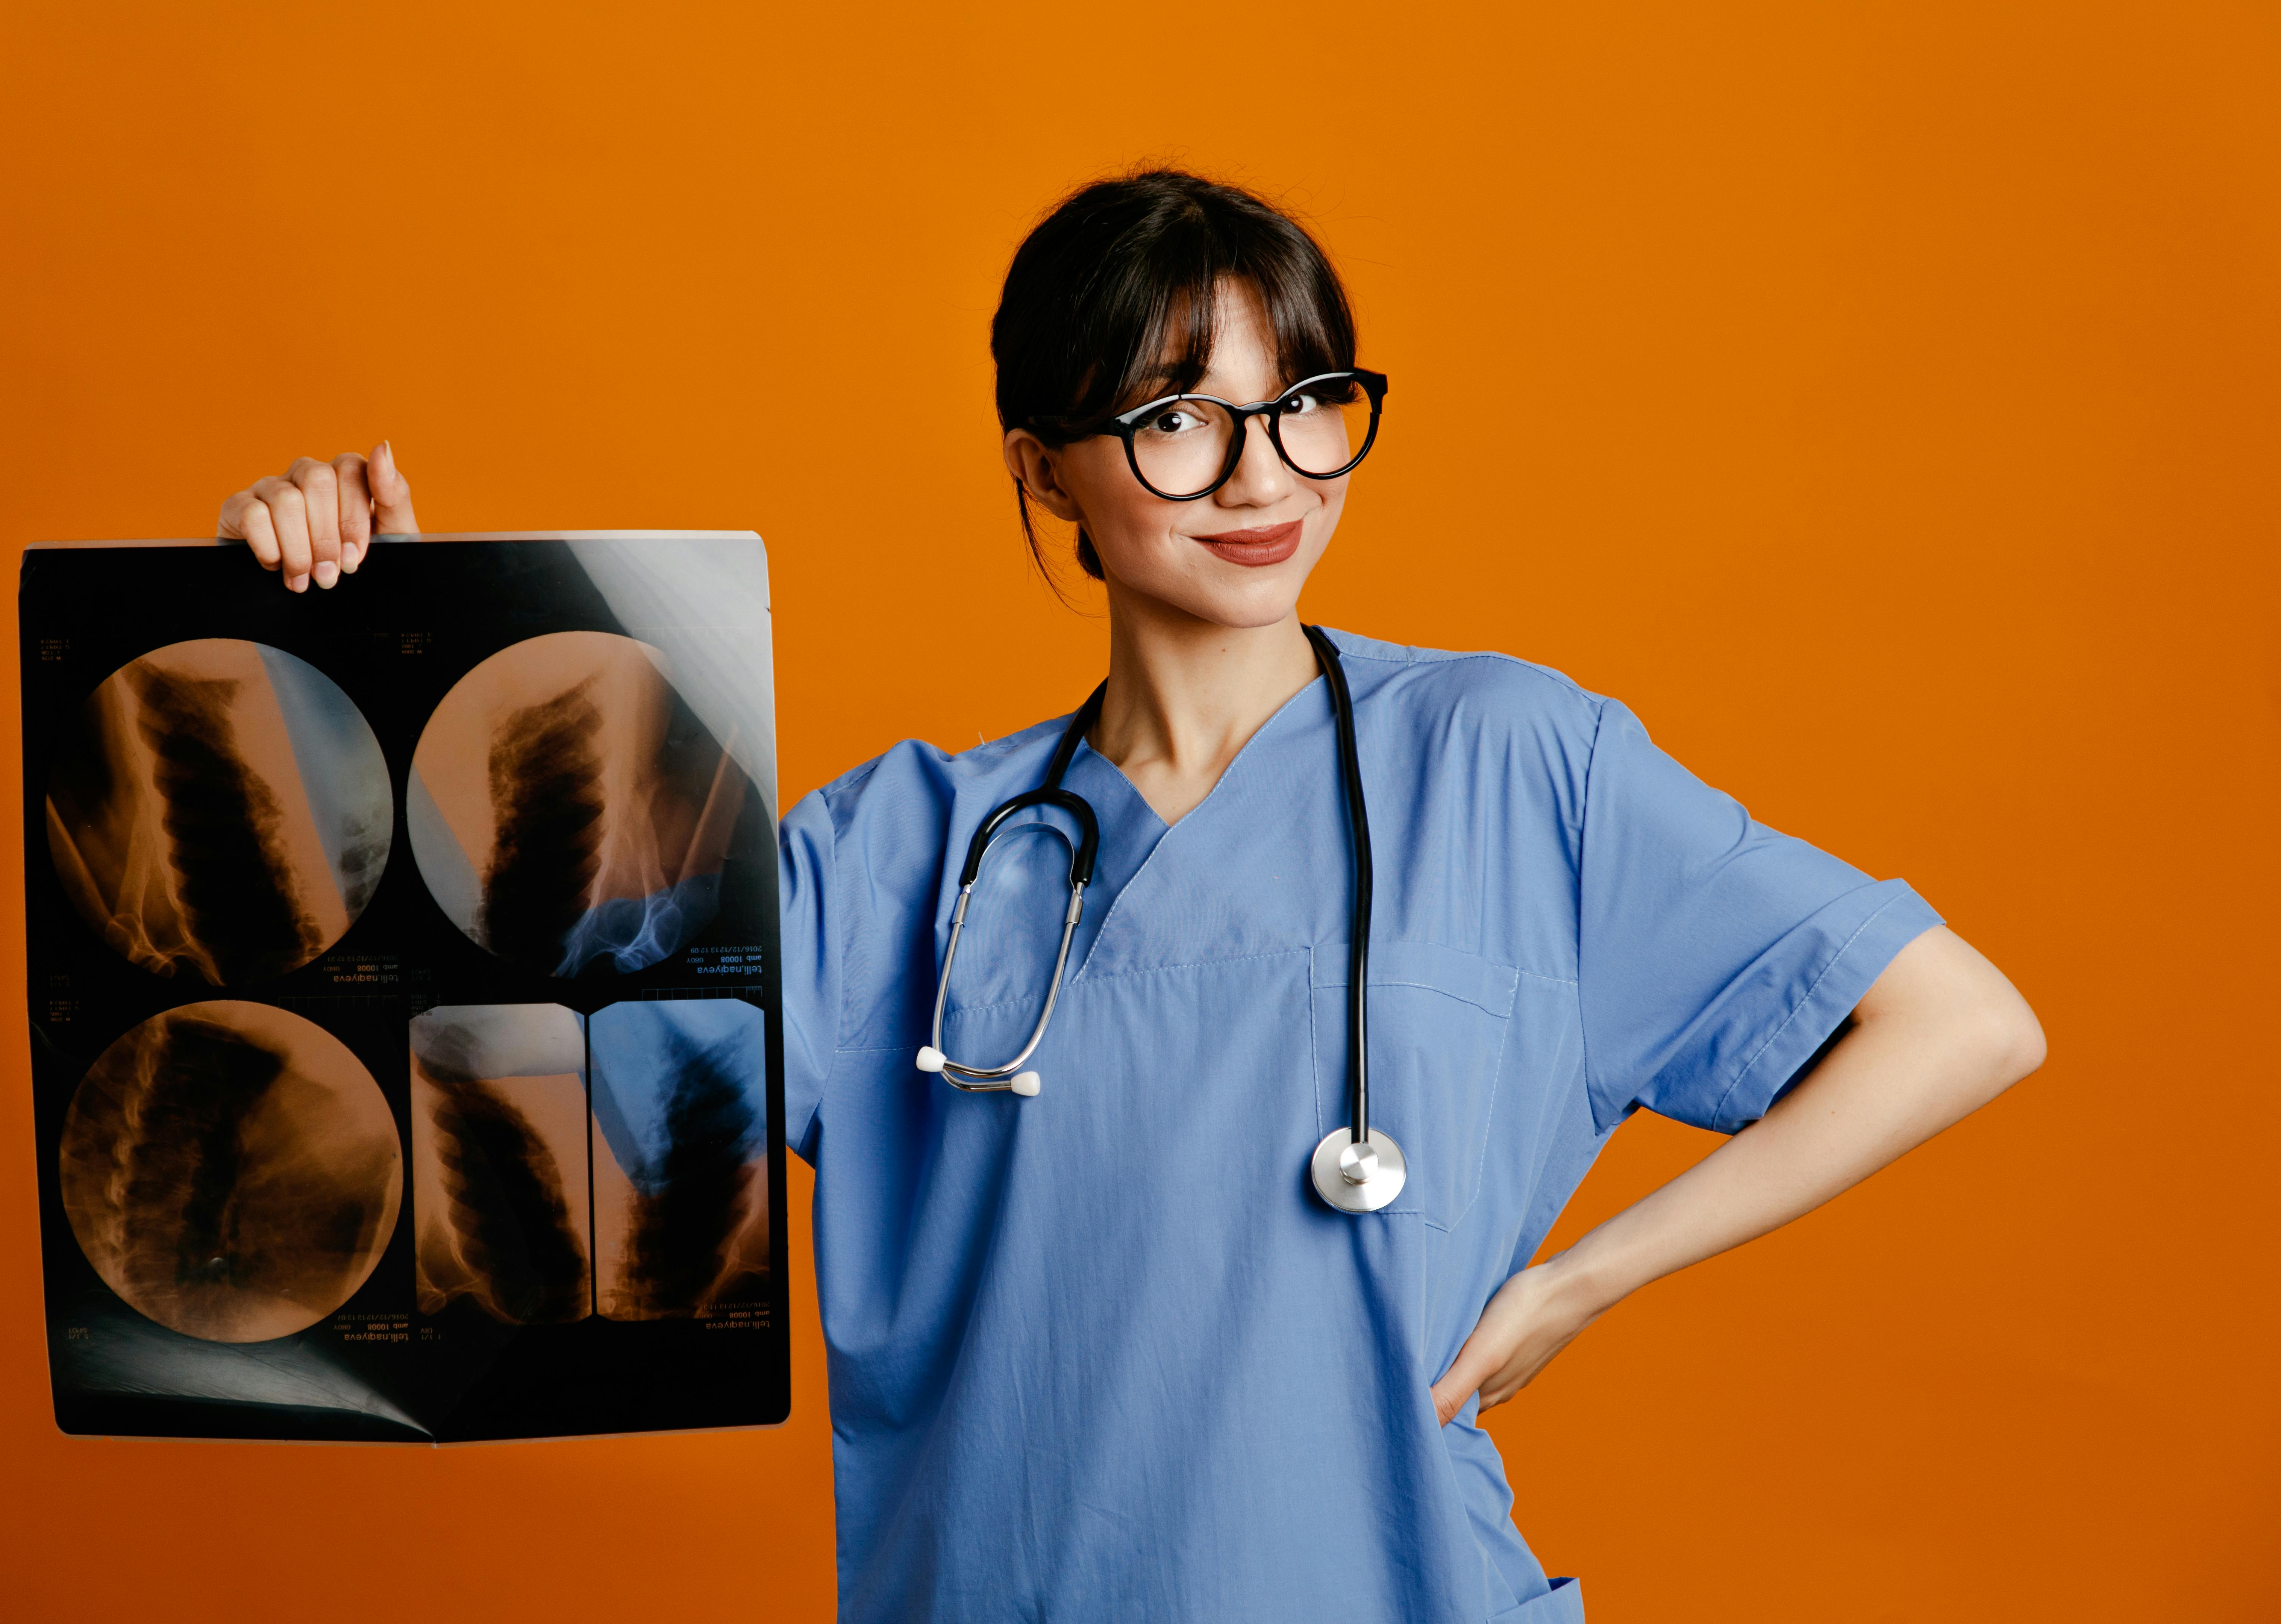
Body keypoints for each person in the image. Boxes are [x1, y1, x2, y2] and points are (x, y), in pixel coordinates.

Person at [212, 170, 2045, 1623]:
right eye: (1178, 419)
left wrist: (1589, 1276)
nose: (1265, 479)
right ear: (1047, 471)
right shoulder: (896, 850)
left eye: (1307, 406)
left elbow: (1959, 1018)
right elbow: (461, 1087)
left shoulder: (1515, 761)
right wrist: (343, 641)